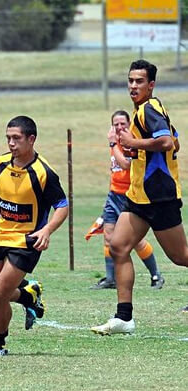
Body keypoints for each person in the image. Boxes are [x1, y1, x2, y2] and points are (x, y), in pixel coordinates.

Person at [92, 60, 188, 335]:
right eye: (131, 81)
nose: (133, 86)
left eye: (139, 81)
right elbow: (175, 140)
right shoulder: (140, 113)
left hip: (160, 197)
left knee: (181, 257)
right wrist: (139, 150)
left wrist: (135, 144)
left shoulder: (149, 108)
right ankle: (124, 317)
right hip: (139, 197)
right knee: (119, 246)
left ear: (151, 85)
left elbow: (168, 142)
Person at [0, 116, 68, 355]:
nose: (11, 143)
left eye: (16, 138)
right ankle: (27, 296)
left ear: (31, 140)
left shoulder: (43, 173)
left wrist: (47, 230)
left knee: (0, 293)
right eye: (8, 138)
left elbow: (62, 205)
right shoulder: (0, 164)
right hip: (0, 237)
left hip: (26, 243)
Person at [88, 110, 164, 290]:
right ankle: (110, 278)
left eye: (123, 123)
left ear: (129, 124)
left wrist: (113, 143)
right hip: (114, 195)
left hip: (130, 196)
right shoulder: (115, 143)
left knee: (133, 240)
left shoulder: (131, 142)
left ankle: (156, 275)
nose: (120, 127)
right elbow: (115, 170)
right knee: (108, 236)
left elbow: (126, 164)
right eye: (116, 124)